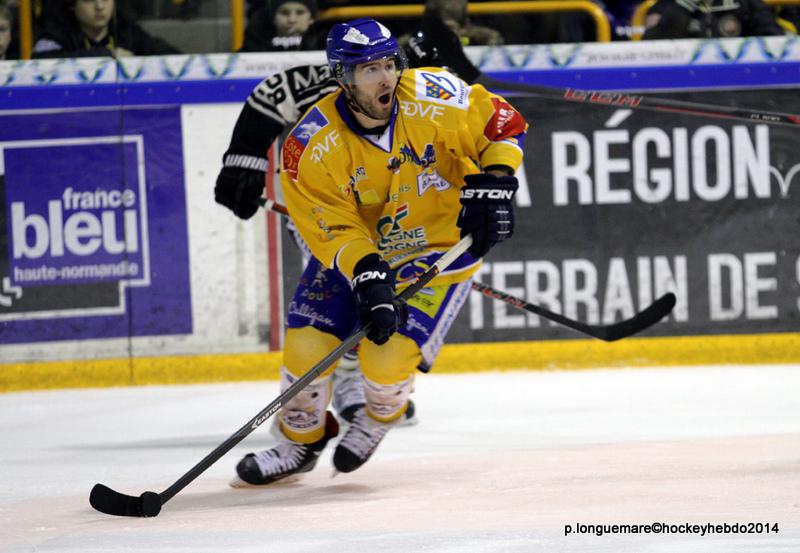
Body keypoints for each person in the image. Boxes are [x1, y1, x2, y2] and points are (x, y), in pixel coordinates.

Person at [227, 17, 526, 485]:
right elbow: (330, 227)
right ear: (343, 78)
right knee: (306, 349)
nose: (386, 77)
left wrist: (498, 180)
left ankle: (378, 417)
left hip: (438, 251)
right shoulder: (310, 144)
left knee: (385, 363)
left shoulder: (434, 94)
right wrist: (366, 270)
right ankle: (299, 442)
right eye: (369, 69)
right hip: (358, 256)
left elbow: (502, 125)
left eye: (389, 64)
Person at [32, 0, 180, 59]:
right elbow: (40, 61)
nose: (100, 7)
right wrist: (107, 55)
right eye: (89, 0)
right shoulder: (56, 34)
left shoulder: (127, 31)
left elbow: (172, 55)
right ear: (72, 5)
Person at [642, 0, 783, 39]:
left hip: (737, 79)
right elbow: (653, 49)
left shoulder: (745, 3)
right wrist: (683, 8)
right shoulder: (668, 5)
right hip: (683, 81)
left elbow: (773, 38)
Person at [240, 0, 324, 52]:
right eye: (284, 13)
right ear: (273, 18)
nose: (292, 19)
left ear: (311, 18)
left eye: (300, 13)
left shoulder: (324, 43)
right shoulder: (254, 42)